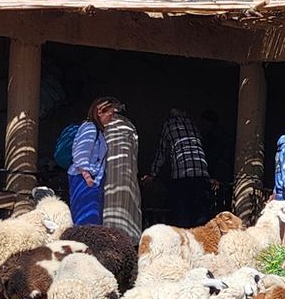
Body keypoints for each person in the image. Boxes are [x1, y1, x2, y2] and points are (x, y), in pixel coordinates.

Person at [151, 106, 216, 227]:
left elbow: (162, 152)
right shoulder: (192, 125)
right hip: (202, 175)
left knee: (182, 217)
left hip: (182, 176)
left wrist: (153, 174)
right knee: (201, 219)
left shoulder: (168, 125)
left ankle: (184, 243)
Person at [102, 96, 142, 240]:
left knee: (107, 213)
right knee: (127, 212)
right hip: (127, 176)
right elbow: (135, 154)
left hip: (108, 175)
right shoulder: (129, 125)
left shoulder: (101, 125)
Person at [69, 99, 110, 224]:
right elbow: (81, 153)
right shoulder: (90, 128)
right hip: (85, 179)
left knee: (93, 219)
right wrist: (87, 177)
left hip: (93, 180)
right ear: (99, 112)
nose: (112, 117)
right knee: (86, 219)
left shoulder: (99, 131)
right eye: (110, 113)